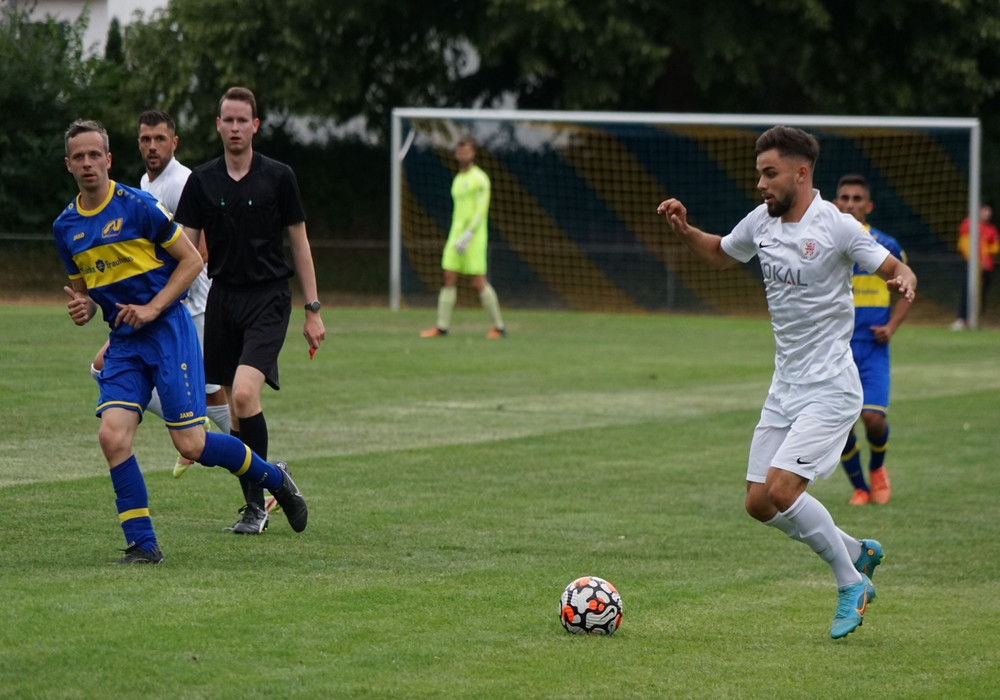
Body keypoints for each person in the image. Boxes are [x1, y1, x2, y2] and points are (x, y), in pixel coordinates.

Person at [657, 125, 917, 639]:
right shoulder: (762, 221)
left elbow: (894, 267)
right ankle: (856, 550)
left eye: (769, 173)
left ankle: (851, 582)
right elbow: (720, 252)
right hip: (786, 387)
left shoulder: (837, 226)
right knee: (759, 503)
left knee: (782, 488)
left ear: (800, 174)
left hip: (831, 387)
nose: (760, 184)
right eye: (759, 174)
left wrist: (903, 278)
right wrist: (685, 230)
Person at [53, 120, 307, 564]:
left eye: (95, 155)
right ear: (68, 165)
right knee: (112, 436)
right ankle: (143, 545)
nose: (88, 163)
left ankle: (274, 479)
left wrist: (153, 308)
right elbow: (87, 294)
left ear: (109, 159)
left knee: (191, 444)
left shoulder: (139, 206)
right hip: (125, 342)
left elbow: (191, 262)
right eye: (79, 157)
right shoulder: (66, 227)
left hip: (169, 331)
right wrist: (84, 308)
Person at [173, 87, 325, 535]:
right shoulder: (202, 181)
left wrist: (312, 308)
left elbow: (300, 243)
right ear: (218, 125)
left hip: (268, 298)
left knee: (242, 395)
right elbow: (182, 249)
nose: (236, 128)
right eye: (229, 120)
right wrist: (159, 299)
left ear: (255, 126)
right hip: (222, 299)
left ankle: (267, 490)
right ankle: (256, 505)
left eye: (243, 120)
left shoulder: (279, 177)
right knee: (236, 414)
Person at [89, 110, 233, 479]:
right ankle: (189, 421)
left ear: (174, 142)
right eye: (145, 139)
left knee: (212, 394)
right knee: (102, 367)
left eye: (160, 139)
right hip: (159, 308)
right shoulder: (145, 184)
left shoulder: (181, 183)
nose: (152, 146)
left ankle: (259, 470)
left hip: (190, 307)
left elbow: (200, 251)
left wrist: (160, 298)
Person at [834, 175, 911, 506]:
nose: (850, 204)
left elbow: (907, 288)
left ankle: (877, 469)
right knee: (839, 426)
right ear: (835, 203)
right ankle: (860, 488)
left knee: (873, 418)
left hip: (873, 348)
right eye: (845, 198)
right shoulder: (824, 243)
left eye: (857, 199)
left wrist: (891, 326)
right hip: (836, 349)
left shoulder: (884, 245)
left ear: (868, 206)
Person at [420, 137, 507, 339]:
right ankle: (442, 327)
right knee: (448, 276)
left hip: (474, 237)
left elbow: (481, 209)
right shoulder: (458, 180)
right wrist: (459, 235)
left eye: (466, 151)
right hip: (455, 235)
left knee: (478, 281)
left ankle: (499, 327)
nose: (462, 155)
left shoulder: (480, 179)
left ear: (473, 153)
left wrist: (469, 234)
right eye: (459, 152)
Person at [950, 204, 999, 330]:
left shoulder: (991, 229)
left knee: (981, 294)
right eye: (984, 212)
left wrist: (987, 251)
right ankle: (962, 319)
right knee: (967, 290)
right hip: (972, 265)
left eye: (988, 213)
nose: (987, 215)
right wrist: (974, 260)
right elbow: (963, 244)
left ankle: (975, 320)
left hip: (986, 267)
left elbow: (996, 247)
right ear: (979, 212)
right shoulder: (968, 224)